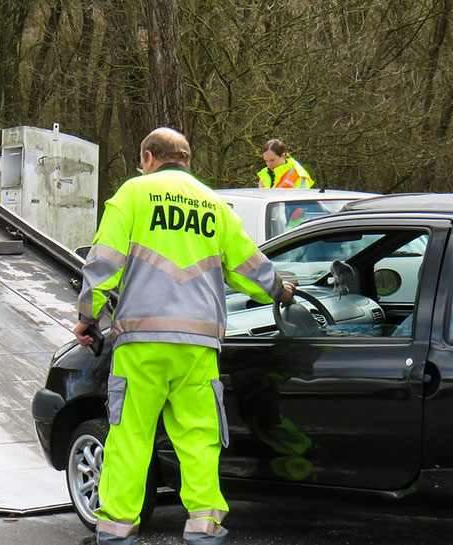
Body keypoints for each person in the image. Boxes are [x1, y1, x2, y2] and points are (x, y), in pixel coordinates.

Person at [74, 127, 293, 545]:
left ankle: (118, 529)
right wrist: (281, 290)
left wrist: (88, 317)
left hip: (142, 342)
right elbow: (250, 267)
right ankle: (203, 526)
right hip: (198, 346)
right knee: (198, 437)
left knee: (130, 434)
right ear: (186, 160)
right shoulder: (214, 205)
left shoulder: (133, 195)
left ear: (149, 159)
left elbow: (102, 264)